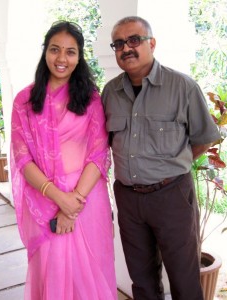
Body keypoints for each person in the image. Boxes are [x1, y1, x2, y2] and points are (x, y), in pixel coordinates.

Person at [101, 16, 221, 300]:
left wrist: (169, 167)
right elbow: (103, 142)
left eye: (134, 40)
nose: (126, 48)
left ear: (151, 44)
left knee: (183, 276)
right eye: (119, 43)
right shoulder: (110, 92)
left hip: (171, 196)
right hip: (128, 199)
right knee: (141, 279)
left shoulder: (182, 87)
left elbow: (203, 139)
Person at [10, 20, 117, 300]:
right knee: (52, 273)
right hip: (44, 199)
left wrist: (73, 205)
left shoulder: (91, 100)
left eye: (70, 52)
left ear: (79, 57)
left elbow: (98, 154)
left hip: (86, 199)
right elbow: (23, 159)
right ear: (45, 51)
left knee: (88, 276)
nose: (61, 58)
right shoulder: (24, 101)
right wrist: (60, 199)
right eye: (55, 49)